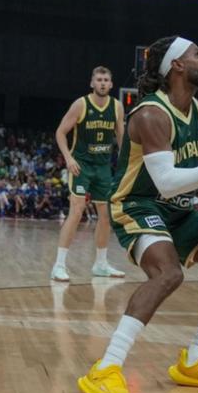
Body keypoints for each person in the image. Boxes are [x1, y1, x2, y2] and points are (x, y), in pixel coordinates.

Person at [77, 36, 198, 393]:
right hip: (137, 203)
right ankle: (107, 367)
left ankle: (195, 360)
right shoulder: (149, 115)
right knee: (168, 274)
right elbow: (167, 181)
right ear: (177, 65)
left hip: (176, 207)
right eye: (197, 54)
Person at [50, 66, 126, 281]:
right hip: (81, 165)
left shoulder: (117, 107)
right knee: (77, 211)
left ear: (111, 84)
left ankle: (101, 264)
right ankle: (59, 265)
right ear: (92, 83)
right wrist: (69, 158)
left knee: (105, 215)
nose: (102, 83)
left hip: (103, 167)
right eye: (99, 79)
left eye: (106, 80)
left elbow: (121, 137)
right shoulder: (81, 104)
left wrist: (125, 162)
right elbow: (60, 132)